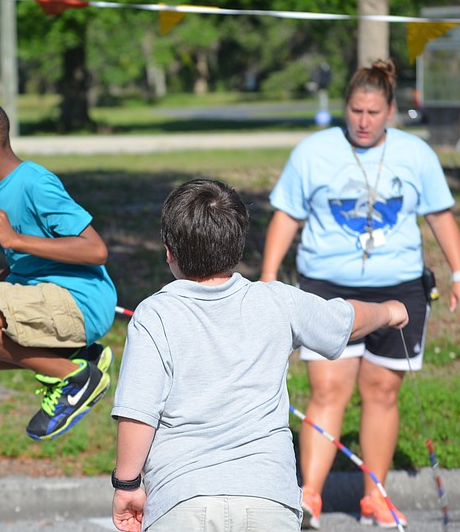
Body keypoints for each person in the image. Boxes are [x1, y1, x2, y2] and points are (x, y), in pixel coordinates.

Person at [110, 178, 409, 532]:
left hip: (182, 496)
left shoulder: (155, 314)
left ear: (168, 251)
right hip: (268, 497)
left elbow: (138, 413)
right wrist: (388, 311)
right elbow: (347, 319)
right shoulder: (276, 301)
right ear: (238, 247)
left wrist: (126, 485)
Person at [261, 59, 460, 529]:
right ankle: (309, 498)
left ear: (391, 111)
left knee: (382, 390)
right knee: (326, 389)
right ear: (346, 108)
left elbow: (440, 215)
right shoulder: (313, 152)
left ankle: (374, 497)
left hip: (398, 291)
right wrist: (268, 276)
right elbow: (286, 215)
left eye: (373, 112)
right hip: (327, 288)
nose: (362, 121)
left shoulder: (416, 155)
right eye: (355, 110)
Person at [0, 97, 117, 441]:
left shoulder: (34, 182)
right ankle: (75, 359)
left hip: (81, 301)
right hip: (41, 296)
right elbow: (26, 271)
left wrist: (15, 240)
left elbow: (95, 249)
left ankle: (75, 378)